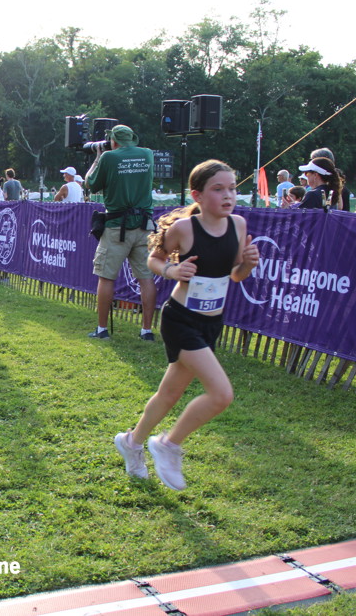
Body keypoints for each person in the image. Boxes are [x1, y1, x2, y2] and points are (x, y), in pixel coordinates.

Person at [113, 160, 259, 491]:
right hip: (181, 319)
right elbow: (154, 258)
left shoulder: (238, 225)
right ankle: (168, 444)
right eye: (218, 189)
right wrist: (172, 271)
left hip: (212, 322)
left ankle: (131, 442)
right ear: (198, 195)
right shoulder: (185, 229)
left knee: (169, 393)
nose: (228, 195)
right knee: (221, 394)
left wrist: (247, 265)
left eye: (232, 188)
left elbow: (235, 275)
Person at [85, 124, 157, 341]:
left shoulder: (109, 157)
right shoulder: (147, 154)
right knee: (146, 278)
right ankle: (146, 331)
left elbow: (91, 184)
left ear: (113, 141)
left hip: (116, 226)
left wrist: (98, 157)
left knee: (106, 277)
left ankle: (102, 329)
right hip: (144, 225)